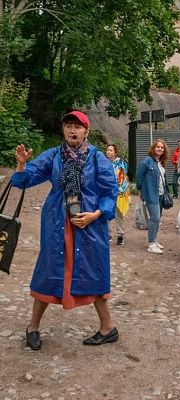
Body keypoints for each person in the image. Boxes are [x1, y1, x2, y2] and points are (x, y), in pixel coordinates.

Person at [12, 110, 119, 350]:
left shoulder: (97, 158)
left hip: (88, 226)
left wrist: (95, 214)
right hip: (57, 224)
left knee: (93, 272)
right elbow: (24, 180)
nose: (72, 130)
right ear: (63, 130)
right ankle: (32, 327)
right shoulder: (53, 156)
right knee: (49, 270)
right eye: (68, 125)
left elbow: (110, 192)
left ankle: (108, 328)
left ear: (86, 131)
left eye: (77, 126)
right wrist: (21, 164)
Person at [136, 138, 170, 254]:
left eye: (162, 147)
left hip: (161, 194)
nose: (160, 149)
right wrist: (141, 189)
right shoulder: (147, 161)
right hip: (151, 194)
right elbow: (139, 176)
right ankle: (151, 244)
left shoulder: (160, 162)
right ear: (153, 148)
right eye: (158, 147)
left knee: (157, 218)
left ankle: (154, 240)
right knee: (155, 218)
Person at [106, 144, 130, 245]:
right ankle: (107, 234)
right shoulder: (103, 163)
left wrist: (122, 190)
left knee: (118, 214)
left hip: (119, 192)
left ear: (115, 153)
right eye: (107, 150)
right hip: (107, 192)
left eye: (111, 150)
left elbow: (124, 177)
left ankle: (120, 235)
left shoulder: (121, 163)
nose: (108, 152)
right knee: (106, 213)